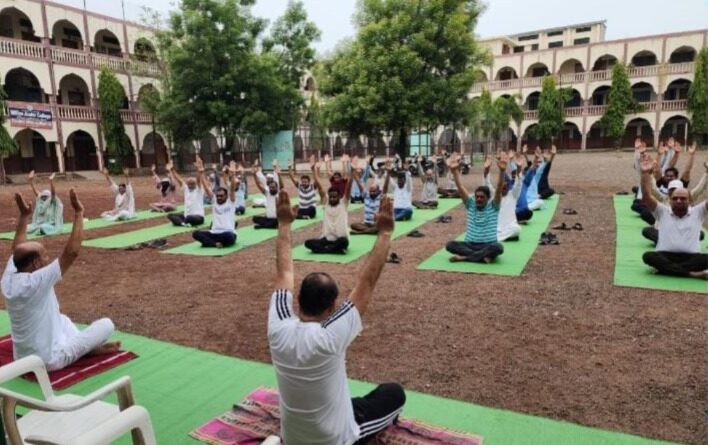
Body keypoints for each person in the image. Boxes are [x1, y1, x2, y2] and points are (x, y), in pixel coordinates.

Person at [268, 188, 405, 445]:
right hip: (337, 439)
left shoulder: (278, 327)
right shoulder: (330, 337)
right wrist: (385, 233)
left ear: (297, 301)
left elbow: (283, 273)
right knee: (393, 393)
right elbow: (366, 283)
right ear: (332, 307)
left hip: (292, 438)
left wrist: (284, 224)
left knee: (345, 400)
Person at [1, 190, 119, 371]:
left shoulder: (9, 278)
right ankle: (85, 350)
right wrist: (79, 213)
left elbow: (17, 248)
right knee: (107, 325)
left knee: (61, 318)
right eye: (45, 255)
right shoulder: (36, 281)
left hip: (22, 358)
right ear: (35, 263)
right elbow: (71, 253)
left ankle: (84, 348)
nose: (48, 258)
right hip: (49, 360)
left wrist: (24, 216)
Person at [638, 155, 707, 278]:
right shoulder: (662, 211)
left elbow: (700, 187)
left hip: (691, 257)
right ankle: (690, 274)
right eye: (675, 198)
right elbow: (647, 197)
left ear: (689, 199)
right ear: (669, 199)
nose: (679, 201)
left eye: (683, 198)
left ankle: (666, 269)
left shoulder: (698, 212)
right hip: (665, 254)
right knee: (648, 256)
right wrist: (644, 173)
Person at [445, 152, 505, 263]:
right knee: (450, 245)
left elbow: (499, 188)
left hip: (488, 244)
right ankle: (482, 257)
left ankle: (465, 257)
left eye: (482, 197)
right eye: (477, 197)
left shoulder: (493, 206)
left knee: (498, 247)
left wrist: (502, 171)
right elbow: (460, 187)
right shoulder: (471, 205)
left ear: (488, 198)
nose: (478, 199)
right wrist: (454, 171)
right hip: (470, 245)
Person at [304, 160, 353, 254]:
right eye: (331, 196)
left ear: (339, 196)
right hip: (327, 239)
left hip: (340, 240)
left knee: (343, 242)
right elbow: (319, 187)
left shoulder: (343, 203)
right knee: (308, 243)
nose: (333, 198)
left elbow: (348, 188)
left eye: (335, 196)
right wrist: (313, 170)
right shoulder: (326, 203)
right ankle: (332, 249)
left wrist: (352, 172)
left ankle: (326, 249)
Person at [192, 163, 239, 248]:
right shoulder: (214, 202)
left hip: (227, 233)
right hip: (214, 233)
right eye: (217, 196)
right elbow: (206, 188)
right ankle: (214, 244)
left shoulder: (230, 203)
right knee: (196, 234)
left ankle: (209, 243)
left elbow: (232, 189)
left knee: (230, 237)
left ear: (226, 196)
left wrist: (233, 175)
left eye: (221, 196)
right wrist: (201, 173)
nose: (219, 197)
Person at [484, 153, 524, 241]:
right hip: (496, 229)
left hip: (510, 228)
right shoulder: (493, 195)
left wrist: (519, 168)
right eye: (502, 187)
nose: (504, 189)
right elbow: (487, 183)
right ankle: (498, 237)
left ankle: (496, 239)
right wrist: (486, 169)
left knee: (517, 229)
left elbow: (518, 183)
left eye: (506, 187)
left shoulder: (513, 195)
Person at [351, 158, 391, 235]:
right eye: (370, 191)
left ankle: (361, 232)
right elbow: (359, 183)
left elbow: (385, 187)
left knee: (379, 228)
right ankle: (367, 231)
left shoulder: (380, 197)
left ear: (378, 191)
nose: (372, 193)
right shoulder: (366, 196)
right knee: (353, 225)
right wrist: (353, 170)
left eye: (374, 191)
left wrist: (389, 173)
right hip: (366, 224)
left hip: (376, 224)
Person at [167, 158, 207, 227]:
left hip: (198, 217)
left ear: (195, 184)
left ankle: (182, 222)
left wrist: (199, 170)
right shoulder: (186, 189)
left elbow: (198, 180)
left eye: (192, 184)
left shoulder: (199, 190)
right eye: (189, 184)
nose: (191, 185)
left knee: (189, 218)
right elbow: (179, 180)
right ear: (187, 184)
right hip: (186, 216)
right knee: (170, 215)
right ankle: (183, 223)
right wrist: (172, 169)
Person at [26, 170, 63, 236]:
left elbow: (53, 193)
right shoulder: (40, 201)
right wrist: (30, 180)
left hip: (50, 225)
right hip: (38, 224)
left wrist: (51, 181)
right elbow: (36, 192)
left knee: (42, 227)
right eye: (43, 196)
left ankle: (40, 230)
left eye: (46, 197)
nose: (44, 198)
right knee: (25, 227)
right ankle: (37, 230)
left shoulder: (51, 202)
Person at [252, 160, 283, 229]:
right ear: (269, 188)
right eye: (271, 187)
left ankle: (263, 226)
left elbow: (281, 184)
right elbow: (258, 185)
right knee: (254, 218)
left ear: (276, 187)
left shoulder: (278, 192)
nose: (272, 188)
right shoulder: (267, 193)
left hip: (276, 219)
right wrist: (254, 175)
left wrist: (278, 173)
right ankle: (267, 225)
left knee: (276, 222)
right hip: (268, 218)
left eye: (274, 187)